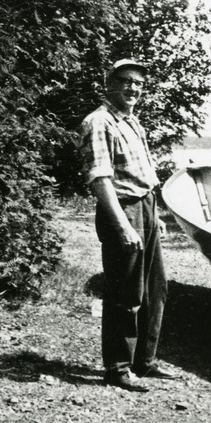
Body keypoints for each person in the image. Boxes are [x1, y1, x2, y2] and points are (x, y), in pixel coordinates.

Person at [79, 58, 177, 392]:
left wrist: (157, 215)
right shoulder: (98, 122)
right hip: (122, 210)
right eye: (125, 81)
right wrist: (122, 224)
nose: (133, 88)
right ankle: (117, 368)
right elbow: (99, 178)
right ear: (109, 84)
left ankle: (143, 362)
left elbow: (143, 175)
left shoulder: (132, 122)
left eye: (138, 83)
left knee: (155, 289)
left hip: (145, 207)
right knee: (125, 292)